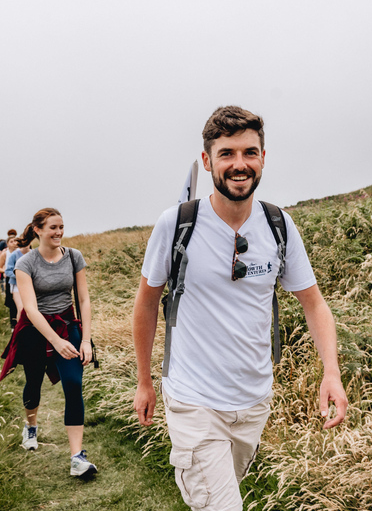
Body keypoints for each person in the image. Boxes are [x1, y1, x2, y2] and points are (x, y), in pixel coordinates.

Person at [133, 106, 348, 510]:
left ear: (263, 158)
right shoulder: (177, 225)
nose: (239, 164)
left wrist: (331, 374)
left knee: (219, 496)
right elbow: (146, 304)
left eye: (249, 153)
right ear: (207, 160)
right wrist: (145, 380)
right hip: (193, 399)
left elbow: (315, 304)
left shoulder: (278, 226)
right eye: (227, 153)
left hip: (253, 402)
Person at [0, 208, 97, 477]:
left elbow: (84, 300)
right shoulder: (25, 264)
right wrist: (55, 341)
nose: (59, 232)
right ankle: (31, 426)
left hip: (67, 324)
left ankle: (77, 458)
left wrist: (85, 340)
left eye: (62, 227)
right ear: (38, 230)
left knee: (74, 385)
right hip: (35, 329)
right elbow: (30, 308)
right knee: (33, 384)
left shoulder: (74, 257)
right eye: (53, 227)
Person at [6, 237, 31, 322]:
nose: (27, 244)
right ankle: (19, 331)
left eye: (28, 242)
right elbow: (7, 271)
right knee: (21, 309)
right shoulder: (15, 254)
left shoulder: (34, 254)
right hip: (16, 285)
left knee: (30, 309)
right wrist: (20, 276)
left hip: (31, 286)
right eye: (25, 242)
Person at [0, 235, 19, 327]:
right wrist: (5, 272)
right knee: (11, 302)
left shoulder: (20, 252)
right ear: (7, 244)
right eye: (11, 241)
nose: (14, 243)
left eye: (15, 241)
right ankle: (13, 324)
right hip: (10, 279)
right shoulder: (5, 254)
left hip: (20, 279)